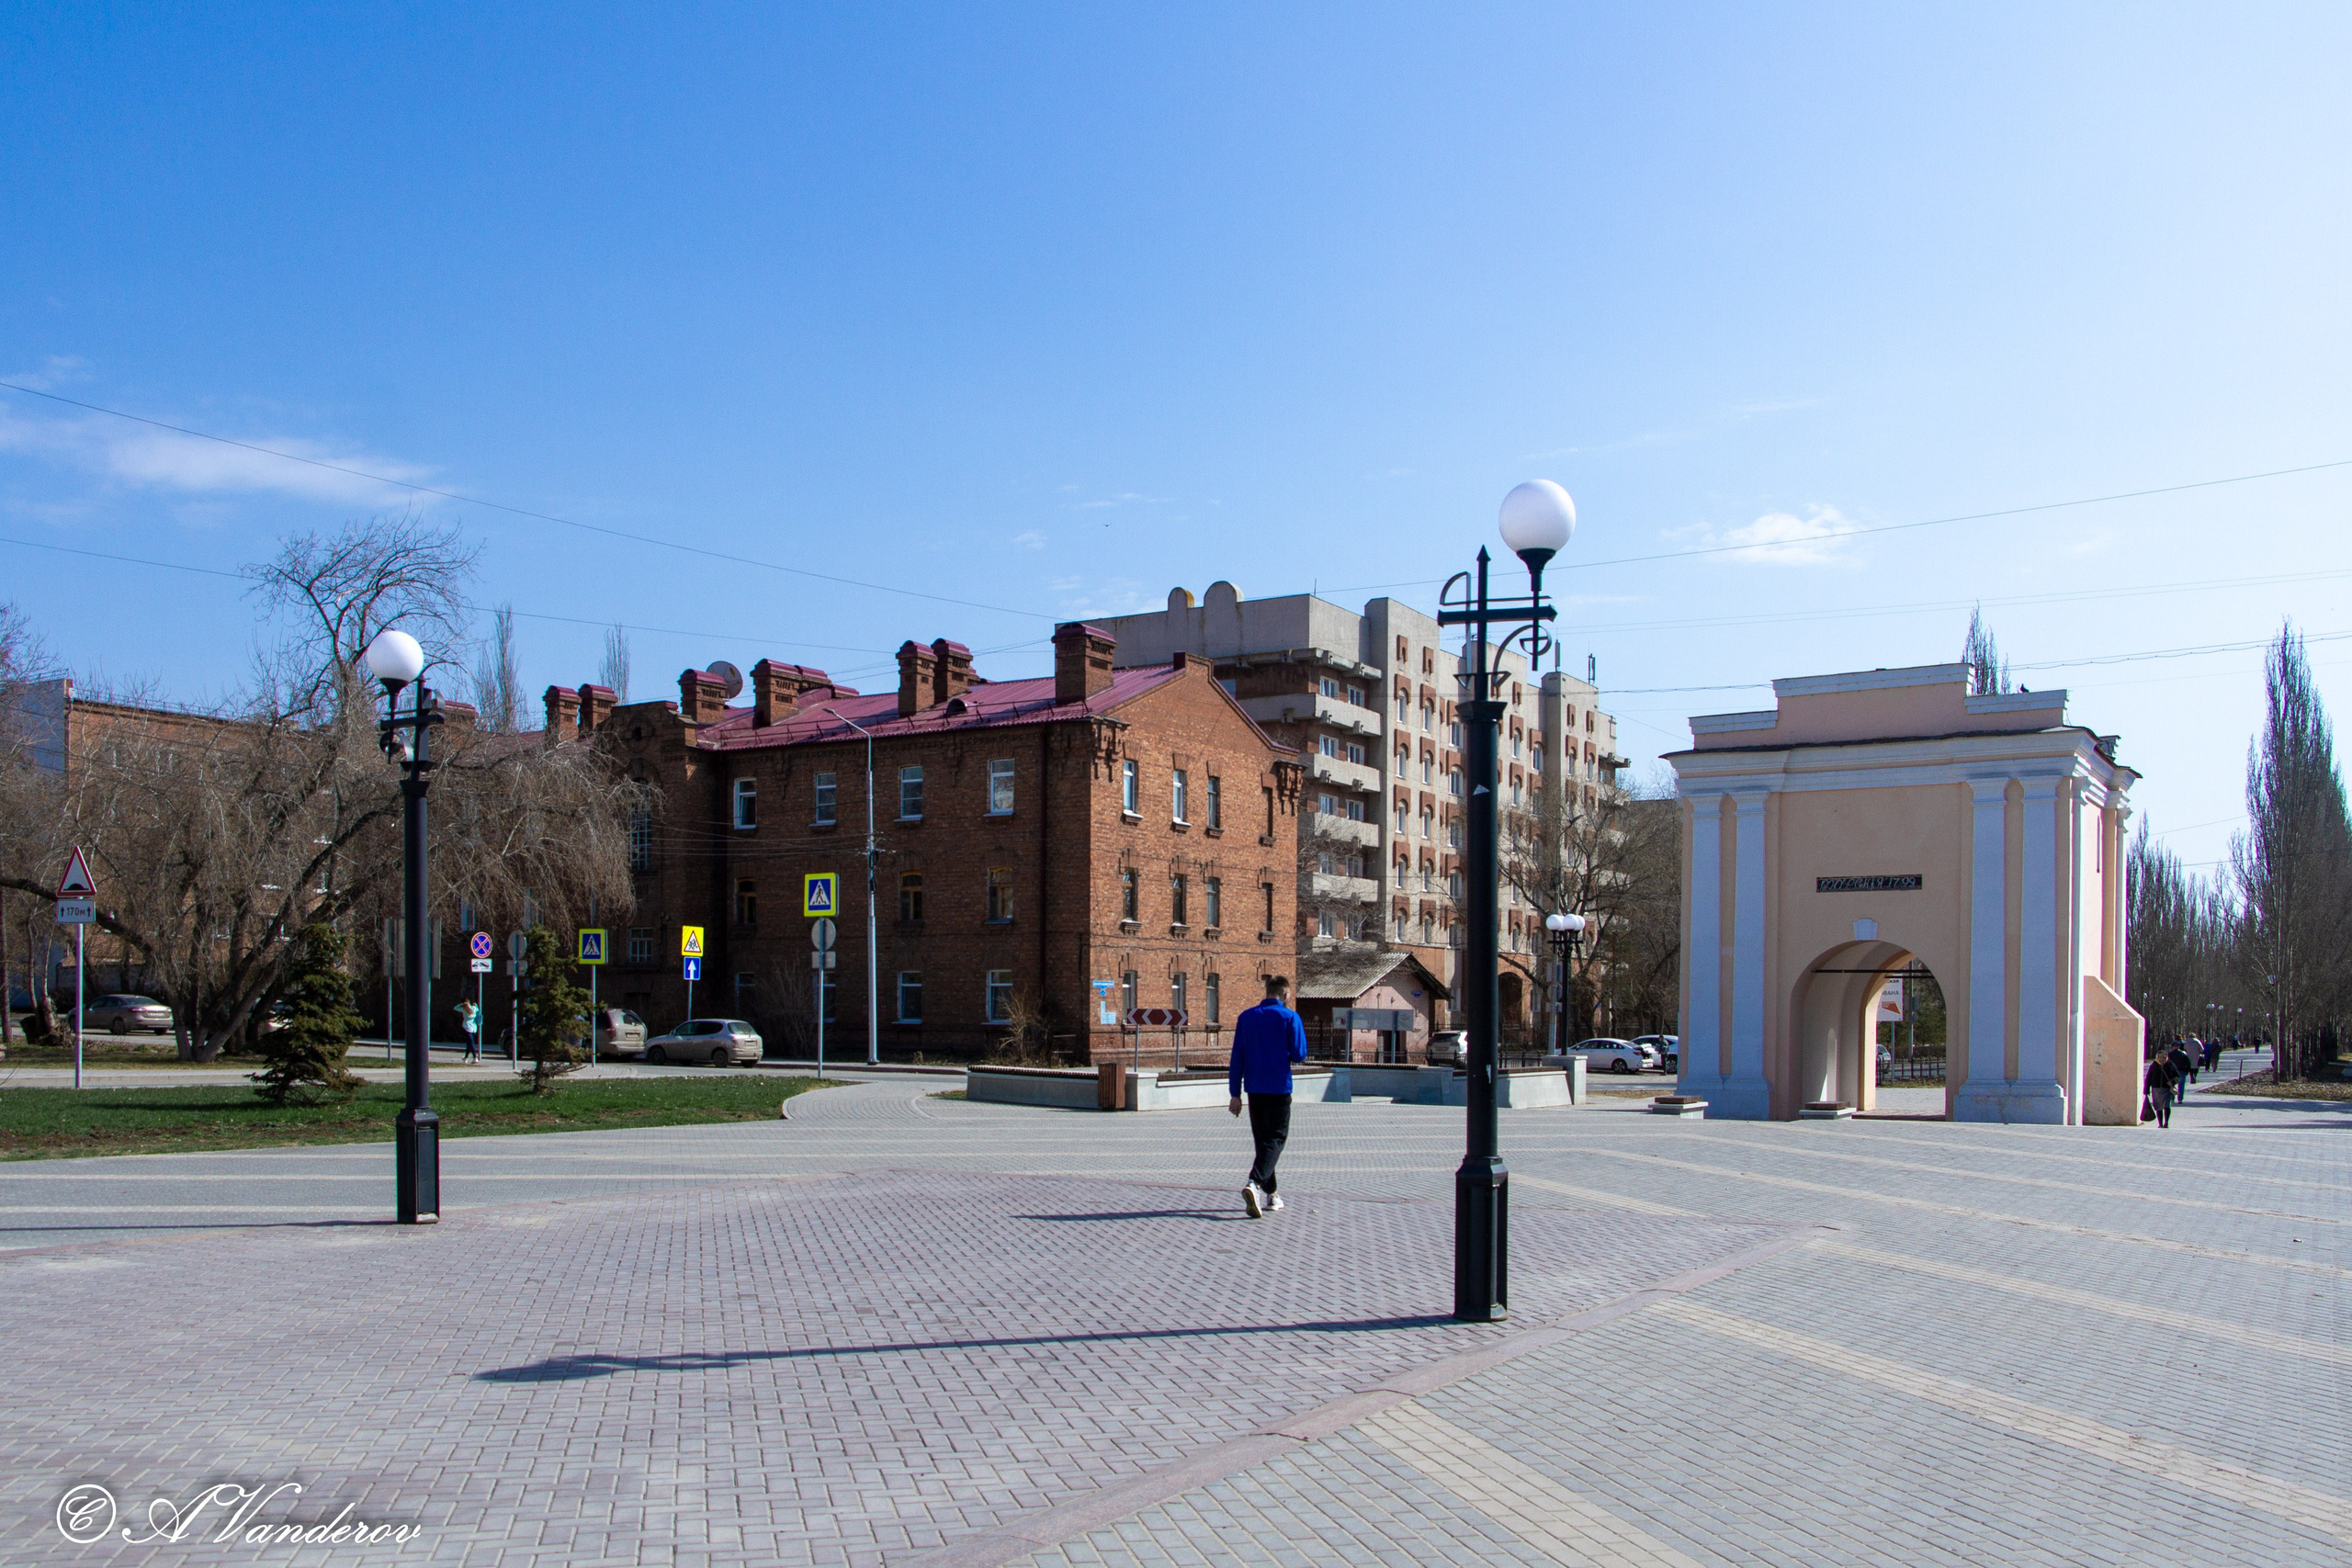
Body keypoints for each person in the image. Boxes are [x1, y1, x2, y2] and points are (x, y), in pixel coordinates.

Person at [1227, 973, 1308, 1218]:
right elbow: (1299, 1054)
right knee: (1276, 1140)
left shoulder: (1246, 1017)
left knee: (1263, 1143)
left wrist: (1235, 1094)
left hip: (1254, 1089)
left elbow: (1236, 1058)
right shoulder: (1290, 1017)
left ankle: (1272, 1195)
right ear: (1285, 995)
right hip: (1279, 1088)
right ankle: (1254, 1183)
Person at [2143, 1052, 2175, 1128]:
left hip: (2166, 1089)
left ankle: (2166, 1122)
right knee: (2158, 1107)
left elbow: (2177, 1075)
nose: (2162, 1059)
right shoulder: (2154, 1065)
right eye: (2160, 1057)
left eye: (2164, 1057)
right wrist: (2146, 1090)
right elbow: (2148, 1078)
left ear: (2166, 1057)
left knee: (2167, 1106)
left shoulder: (2170, 1065)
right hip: (2156, 1089)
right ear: (2158, 1057)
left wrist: (2173, 1081)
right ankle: (2160, 1123)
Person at [457, 998, 481, 1063]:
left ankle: (475, 1057)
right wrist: (476, 1005)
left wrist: (462, 1005)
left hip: (467, 1027)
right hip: (474, 1027)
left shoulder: (464, 1009)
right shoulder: (474, 1008)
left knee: (471, 1042)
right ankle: (466, 1058)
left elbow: (455, 1008)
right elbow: (478, 1010)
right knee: (469, 1043)